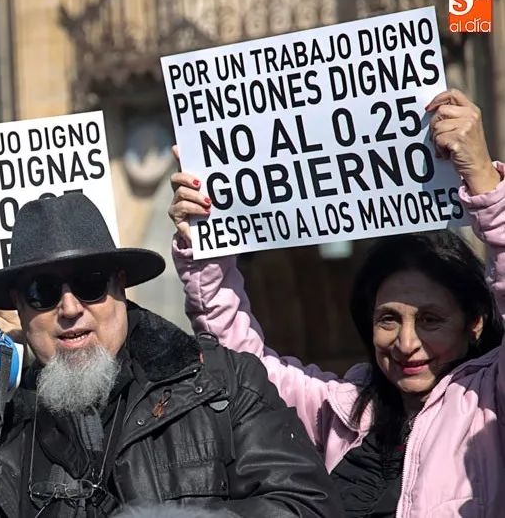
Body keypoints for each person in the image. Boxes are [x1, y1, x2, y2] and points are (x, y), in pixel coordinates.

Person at [0, 192, 345, 517]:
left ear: (120, 288)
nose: (70, 309)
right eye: (42, 292)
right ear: (22, 310)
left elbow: (308, 505)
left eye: (89, 284)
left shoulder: (224, 384)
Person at [167, 89, 505, 517]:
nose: (406, 342)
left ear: (474, 322)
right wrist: (205, 247)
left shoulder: (491, 402)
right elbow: (240, 366)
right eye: (388, 319)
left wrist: (482, 180)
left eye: (431, 320)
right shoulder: (340, 411)